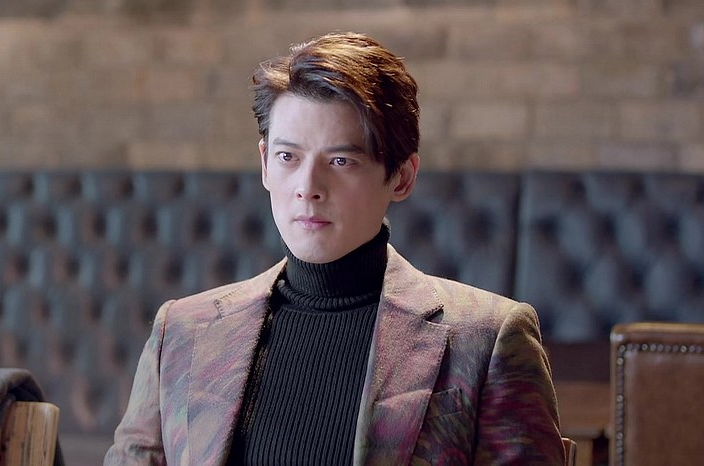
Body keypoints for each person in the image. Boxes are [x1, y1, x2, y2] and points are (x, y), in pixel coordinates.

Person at [105, 32, 564, 465]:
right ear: (265, 164)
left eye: (341, 160)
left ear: (402, 177)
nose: (308, 186)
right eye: (288, 157)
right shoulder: (182, 331)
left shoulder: (486, 338)